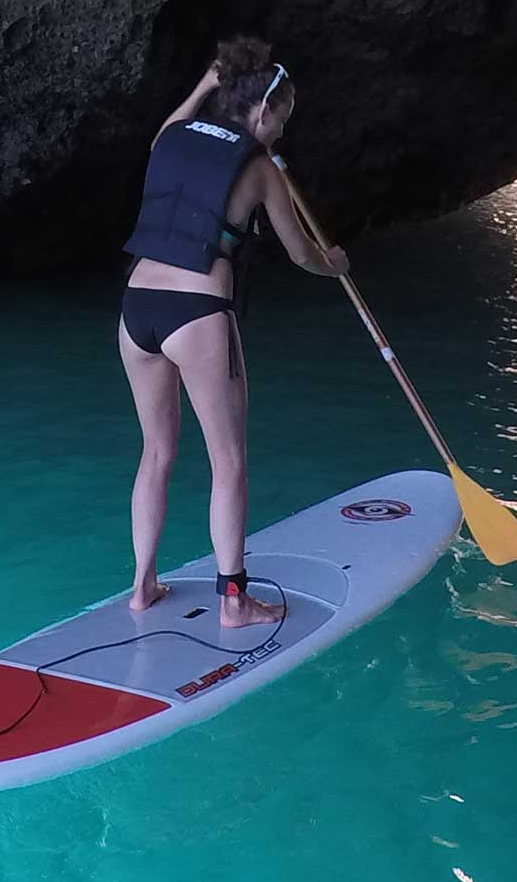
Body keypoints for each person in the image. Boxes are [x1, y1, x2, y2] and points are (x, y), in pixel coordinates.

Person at [119, 38, 350, 626]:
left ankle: (143, 585)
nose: (281, 132)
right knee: (228, 462)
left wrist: (204, 83)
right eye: (282, 119)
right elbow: (301, 254)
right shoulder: (261, 167)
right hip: (198, 312)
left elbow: (172, 126)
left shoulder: (171, 137)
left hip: (137, 309)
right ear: (265, 112)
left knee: (156, 453)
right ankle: (234, 601)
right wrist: (336, 265)